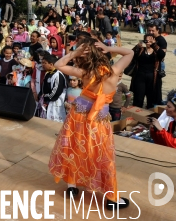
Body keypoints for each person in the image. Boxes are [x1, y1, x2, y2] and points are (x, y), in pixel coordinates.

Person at [49, 38, 134, 209]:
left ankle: (72, 187)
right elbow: (130, 52)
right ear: (102, 55)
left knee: (73, 148)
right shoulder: (114, 71)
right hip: (98, 120)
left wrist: (75, 53)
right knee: (103, 156)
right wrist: (108, 47)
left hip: (78, 115)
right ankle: (111, 199)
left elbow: (58, 64)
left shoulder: (84, 73)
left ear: (85, 57)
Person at [129, 34, 165, 108]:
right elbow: (130, 54)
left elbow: (162, 54)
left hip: (152, 78)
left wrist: (153, 45)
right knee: (138, 99)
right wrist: (136, 47)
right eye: (146, 40)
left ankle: (150, 116)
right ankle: (136, 116)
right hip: (140, 77)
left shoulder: (156, 52)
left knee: (151, 100)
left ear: (154, 41)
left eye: (150, 40)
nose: (148, 42)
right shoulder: (141, 50)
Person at [37, 53, 67, 122]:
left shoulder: (58, 75)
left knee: (55, 123)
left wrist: (44, 97)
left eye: (45, 63)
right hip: (46, 102)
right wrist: (41, 95)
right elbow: (43, 87)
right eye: (42, 63)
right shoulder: (47, 73)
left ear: (51, 64)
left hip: (55, 103)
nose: (42, 65)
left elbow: (55, 92)